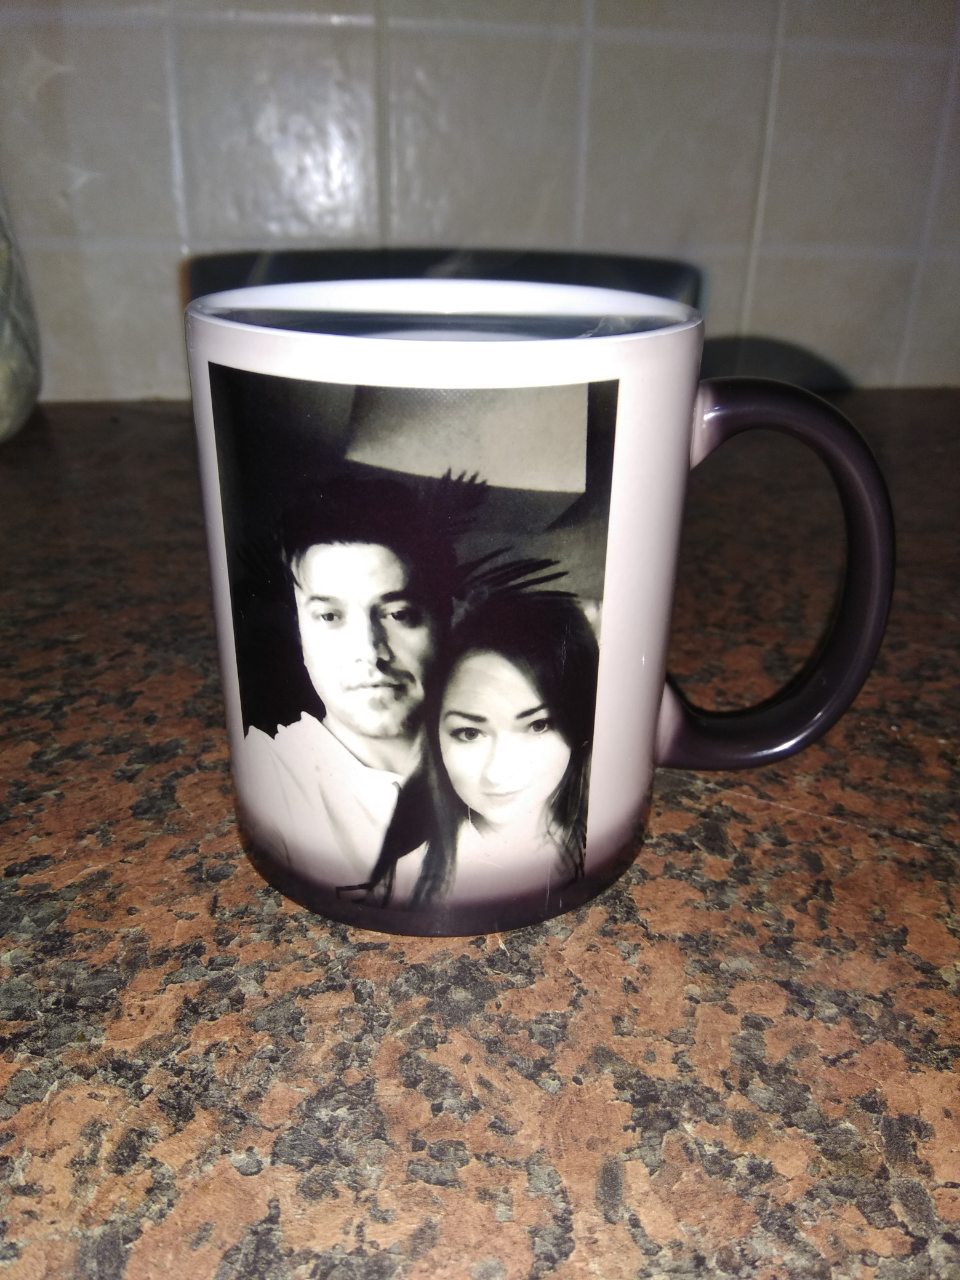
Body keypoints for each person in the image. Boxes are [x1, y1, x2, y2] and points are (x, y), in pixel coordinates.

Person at [234, 474, 459, 888]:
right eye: (330, 616)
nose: (371, 651)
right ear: (299, 630)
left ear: (445, 619)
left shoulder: (508, 767)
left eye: (399, 614)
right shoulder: (269, 780)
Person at [366, 592, 599, 909]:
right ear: (436, 737)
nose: (498, 772)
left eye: (538, 725)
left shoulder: (601, 837)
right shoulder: (405, 883)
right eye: (470, 733)